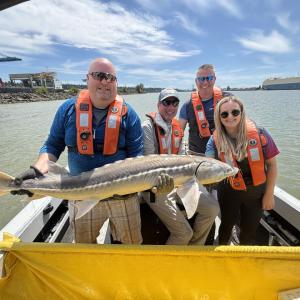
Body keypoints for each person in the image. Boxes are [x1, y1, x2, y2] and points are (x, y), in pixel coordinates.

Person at [12, 58, 145, 244]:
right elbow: (53, 144)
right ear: (87, 79)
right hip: (80, 194)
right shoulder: (68, 109)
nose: (105, 81)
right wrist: (37, 169)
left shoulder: (129, 115)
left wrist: (154, 183)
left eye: (111, 78)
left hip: (123, 198)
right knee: (84, 248)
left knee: (132, 248)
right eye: (99, 76)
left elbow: (138, 158)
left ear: (116, 82)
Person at [141, 88, 219, 245]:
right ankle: (169, 264)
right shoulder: (147, 126)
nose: (171, 107)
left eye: (175, 103)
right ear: (158, 105)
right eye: (166, 103)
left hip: (178, 184)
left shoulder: (178, 128)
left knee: (212, 208)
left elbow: (184, 158)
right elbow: (148, 163)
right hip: (155, 188)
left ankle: (194, 249)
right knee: (184, 233)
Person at [205, 96, 279, 245]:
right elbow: (207, 165)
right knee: (225, 227)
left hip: (257, 194)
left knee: (249, 231)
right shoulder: (214, 140)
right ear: (219, 117)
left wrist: (269, 194)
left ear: (242, 112)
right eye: (224, 114)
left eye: (235, 112)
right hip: (228, 191)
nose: (230, 117)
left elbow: (272, 165)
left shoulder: (261, 134)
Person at [179, 64, 231, 154]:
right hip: (196, 155)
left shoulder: (229, 100)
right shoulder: (187, 106)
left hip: (225, 153)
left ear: (215, 79)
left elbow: (241, 125)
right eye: (201, 79)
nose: (205, 82)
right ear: (196, 81)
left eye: (209, 78)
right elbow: (178, 134)